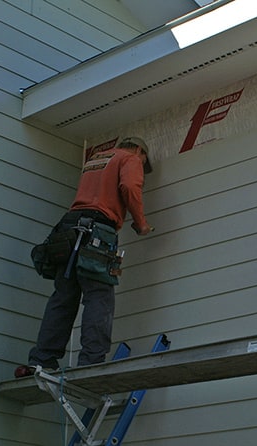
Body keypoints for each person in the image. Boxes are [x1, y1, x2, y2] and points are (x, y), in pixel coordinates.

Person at [15, 137, 154, 376]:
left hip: (69, 230)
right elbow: (130, 187)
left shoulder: (96, 159)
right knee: (99, 296)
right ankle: (91, 363)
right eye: (144, 161)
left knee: (63, 297)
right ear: (139, 150)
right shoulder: (130, 158)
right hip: (96, 230)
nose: (141, 164)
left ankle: (43, 359)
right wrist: (141, 224)